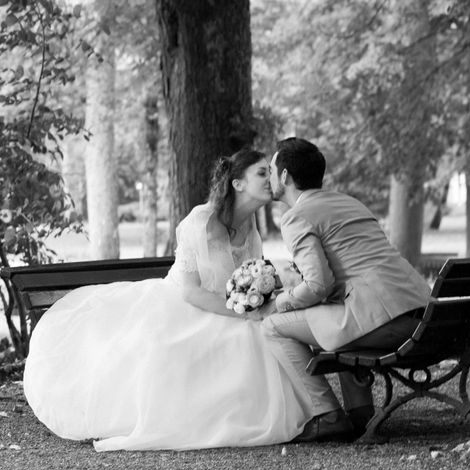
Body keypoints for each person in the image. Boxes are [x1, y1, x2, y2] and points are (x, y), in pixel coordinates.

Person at [23, 149, 313, 451]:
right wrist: (243, 313)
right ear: (238, 183)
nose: (271, 179)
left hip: (228, 305)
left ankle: (289, 413)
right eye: (262, 173)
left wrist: (258, 299)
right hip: (182, 301)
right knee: (209, 338)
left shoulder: (250, 222)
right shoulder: (201, 220)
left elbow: (250, 272)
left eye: (270, 172)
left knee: (259, 335)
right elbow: (190, 291)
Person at [262, 138, 431, 441]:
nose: (271, 178)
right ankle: (360, 415)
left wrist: (281, 301)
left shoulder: (296, 216)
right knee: (334, 316)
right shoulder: (349, 202)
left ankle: (327, 414)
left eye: (272, 171)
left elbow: (318, 284)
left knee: (273, 326)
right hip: (424, 316)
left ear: (285, 176)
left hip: (386, 320)